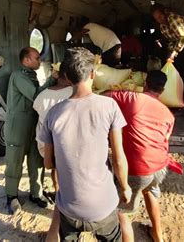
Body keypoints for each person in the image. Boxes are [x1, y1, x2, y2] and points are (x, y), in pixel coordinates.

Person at [38, 47, 132, 242]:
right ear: (92, 74)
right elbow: (118, 158)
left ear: (67, 77)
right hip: (103, 208)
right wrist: (124, 188)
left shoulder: (53, 113)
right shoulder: (109, 106)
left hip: (69, 209)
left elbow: (48, 164)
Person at [106, 71, 175, 242]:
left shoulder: (131, 98)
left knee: (120, 208)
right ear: (163, 90)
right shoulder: (168, 114)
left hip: (139, 168)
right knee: (151, 191)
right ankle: (157, 235)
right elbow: (164, 139)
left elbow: (106, 95)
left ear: (145, 83)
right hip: (160, 166)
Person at [4, 47, 56, 214]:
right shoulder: (18, 76)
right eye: (36, 58)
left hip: (32, 124)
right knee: (14, 161)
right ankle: (11, 196)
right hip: (18, 126)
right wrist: (51, 79)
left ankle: (36, 193)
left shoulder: (30, 76)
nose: (39, 60)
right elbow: (36, 96)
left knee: (36, 160)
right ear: (26, 60)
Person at [33, 66, 72, 241]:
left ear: (56, 76)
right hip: (65, 145)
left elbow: (37, 111)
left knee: (54, 168)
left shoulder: (41, 96)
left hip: (45, 145)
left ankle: (58, 192)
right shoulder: (73, 92)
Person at [151, 5, 184, 104]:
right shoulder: (162, 27)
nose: (159, 20)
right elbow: (171, 41)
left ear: (164, 13)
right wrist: (170, 54)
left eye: (160, 16)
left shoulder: (173, 19)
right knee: (177, 67)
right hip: (181, 44)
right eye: (156, 18)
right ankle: (177, 97)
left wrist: (175, 52)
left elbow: (183, 36)